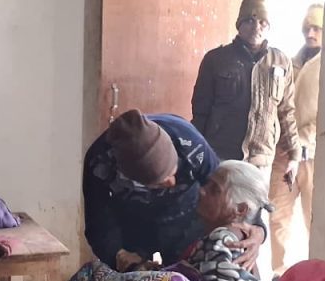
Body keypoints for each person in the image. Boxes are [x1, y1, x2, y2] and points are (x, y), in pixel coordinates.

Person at [83, 108, 264, 270]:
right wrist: (121, 257)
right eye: (160, 183)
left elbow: (231, 194)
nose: (172, 183)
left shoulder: (190, 142)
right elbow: (99, 224)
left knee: (190, 277)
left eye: (174, 171)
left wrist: (257, 229)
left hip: (185, 220)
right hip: (134, 223)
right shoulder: (99, 165)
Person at [190, 0, 301, 180]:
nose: (256, 27)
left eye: (262, 22)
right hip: (222, 156)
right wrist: (197, 153)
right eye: (249, 20)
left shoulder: (281, 62)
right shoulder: (216, 59)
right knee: (220, 200)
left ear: (268, 26)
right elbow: (200, 111)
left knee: (255, 201)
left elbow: (286, 111)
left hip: (261, 161)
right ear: (239, 24)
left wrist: (294, 154)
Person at [269, 4, 323, 273]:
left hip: (315, 158)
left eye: (316, 28)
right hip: (284, 154)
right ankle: (280, 276)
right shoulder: (290, 63)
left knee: (315, 222)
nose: (310, 33)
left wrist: (303, 142)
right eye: (306, 28)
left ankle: (316, 278)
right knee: (277, 216)